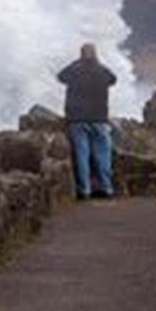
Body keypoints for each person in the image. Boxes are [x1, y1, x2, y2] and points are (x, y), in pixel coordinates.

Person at [57, 43, 117, 200]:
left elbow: (60, 76)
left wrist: (77, 62)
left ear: (80, 54)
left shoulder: (74, 70)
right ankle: (107, 188)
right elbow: (113, 79)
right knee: (103, 155)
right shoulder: (102, 71)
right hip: (99, 118)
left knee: (82, 154)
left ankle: (85, 190)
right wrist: (97, 63)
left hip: (77, 119)